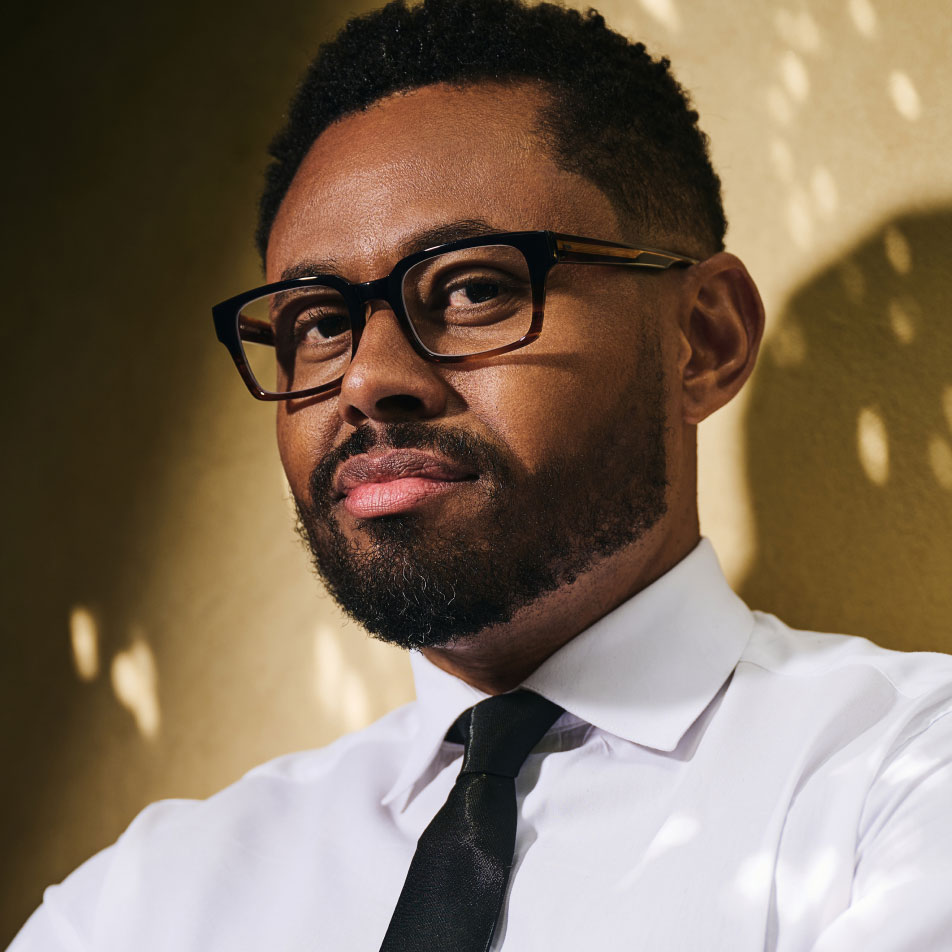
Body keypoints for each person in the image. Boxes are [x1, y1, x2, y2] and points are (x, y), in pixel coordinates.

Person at [11, 0, 952, 949]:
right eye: (319, 324)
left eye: (474, 289)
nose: (369, 378)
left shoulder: (904, 783)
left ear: (702, 340)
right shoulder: (141, 903)